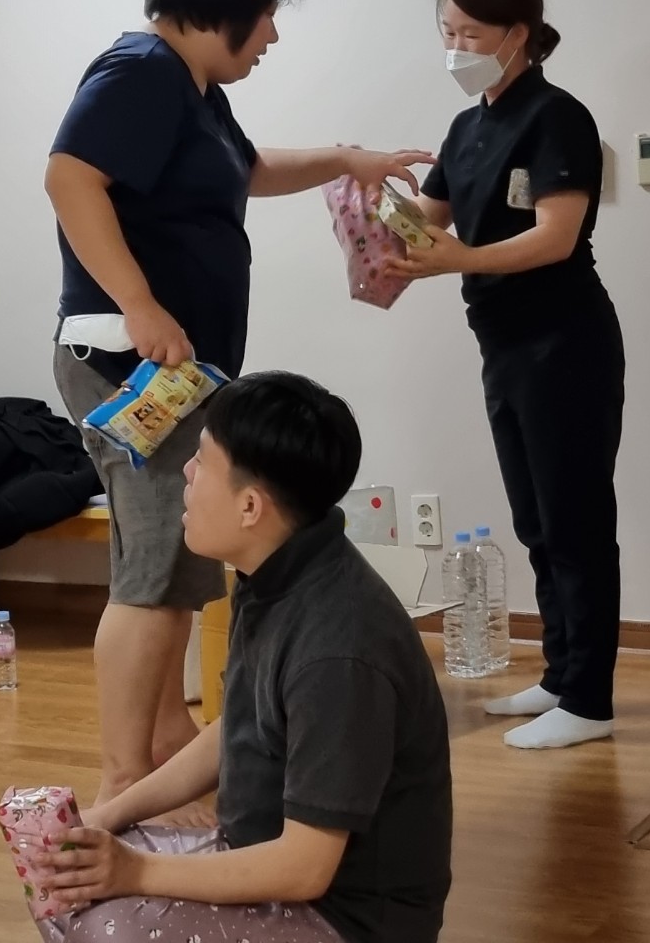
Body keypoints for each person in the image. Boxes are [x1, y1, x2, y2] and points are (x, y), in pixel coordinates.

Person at [45, 0, 433, 804]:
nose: (272, 36)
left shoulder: (193, 90)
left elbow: (246, 169)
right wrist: (140, 304)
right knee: (153, 575)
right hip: (130, 364)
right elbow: (69, 178)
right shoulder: (140, 71)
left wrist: (346, 159)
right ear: (223, 8)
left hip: (177, 370)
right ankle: (121, 785)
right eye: (265, 16)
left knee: (177, 566)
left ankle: (167, 749)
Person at [35, 371, 453, 943]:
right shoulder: (279, 571)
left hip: (343, 920)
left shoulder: (338, 649)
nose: (186, 472)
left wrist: (135, 872)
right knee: (63, 873)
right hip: (263, 859)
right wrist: (109, 815)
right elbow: (236, 727)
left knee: (105, 922)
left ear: (250, 506)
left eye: (202, 461)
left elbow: (305, 868)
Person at [390, 0, 625, 750]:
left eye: (470, 33)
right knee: (534, 521)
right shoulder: (467, 128)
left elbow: (555, 237)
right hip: (502, 344)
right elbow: (424, 226)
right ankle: (561, 675)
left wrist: (460, 258)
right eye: (447, 32)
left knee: (575, 520)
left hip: (566, 341)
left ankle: (589, 700)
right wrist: (361, 198)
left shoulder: (558, 117)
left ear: (517, 34)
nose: (455, 47)